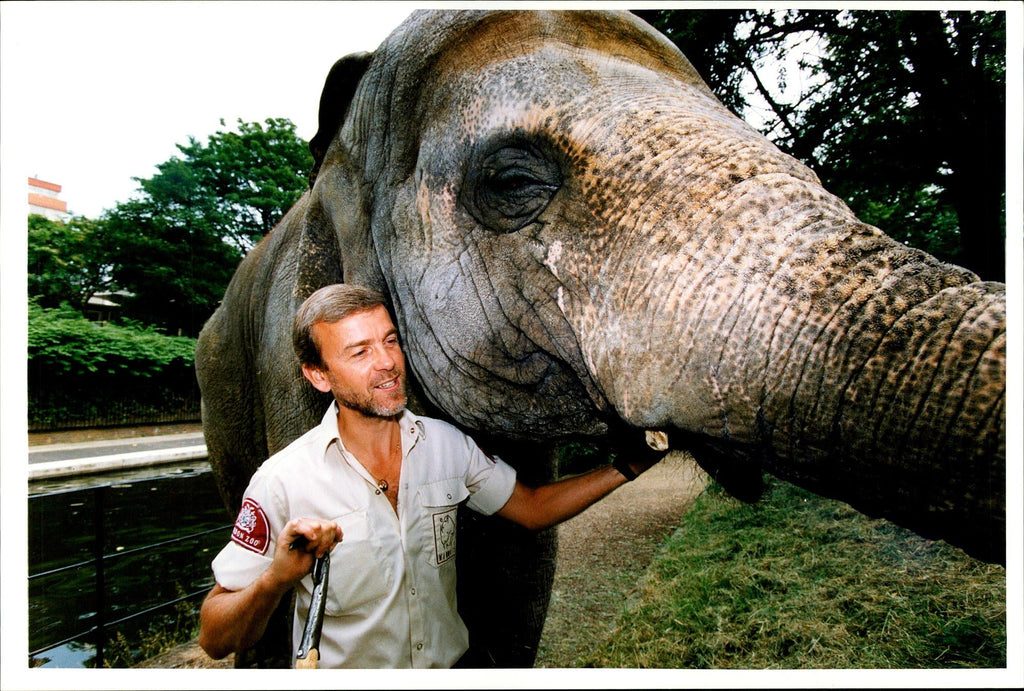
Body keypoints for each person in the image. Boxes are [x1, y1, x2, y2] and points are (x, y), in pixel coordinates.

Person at [198, 283, 662, 668]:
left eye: (390, 340)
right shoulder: (282, 480)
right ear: (319, 375)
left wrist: (629, 466)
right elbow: (215, 638)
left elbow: (533, 508)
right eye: (359, 351)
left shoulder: (446, 445)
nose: (387, 362)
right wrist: (276, 580)